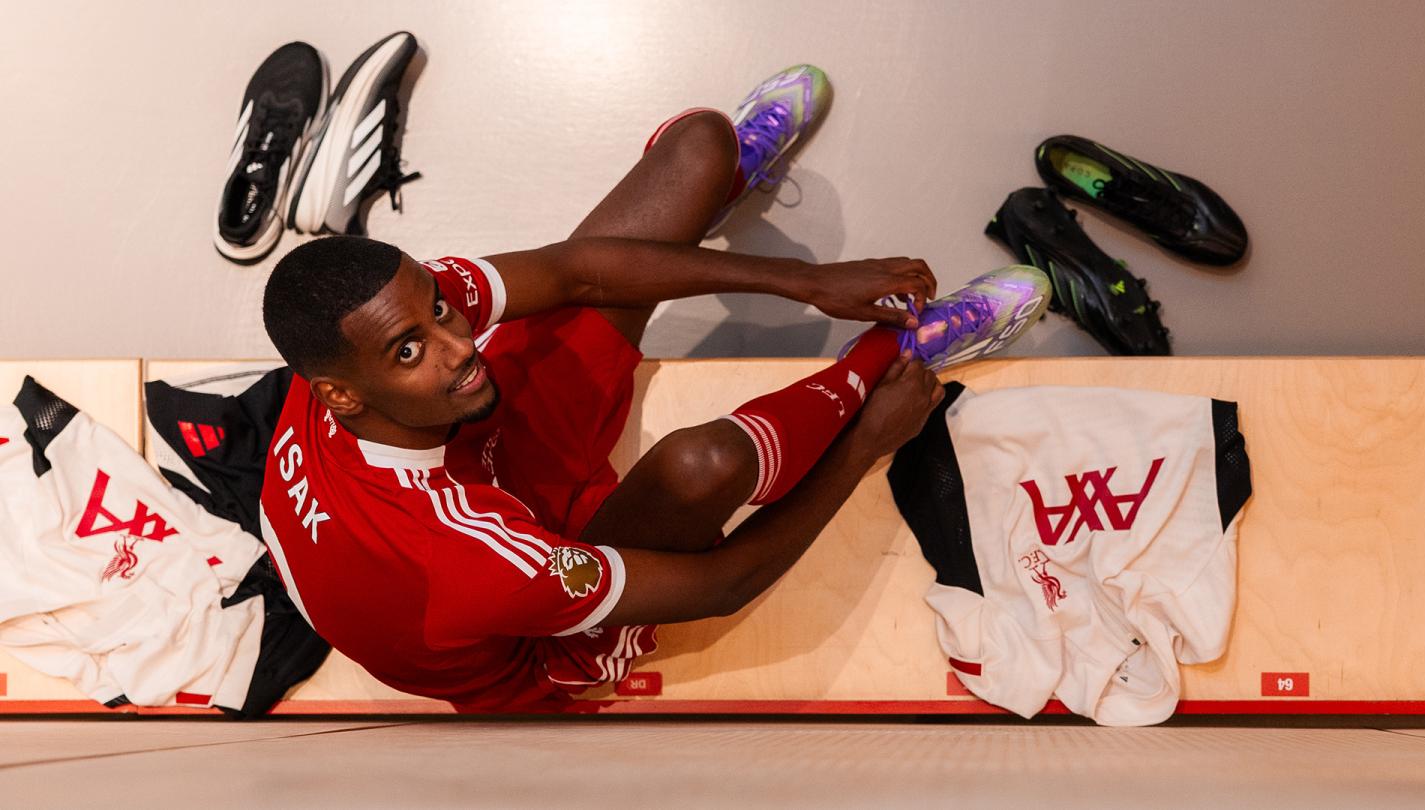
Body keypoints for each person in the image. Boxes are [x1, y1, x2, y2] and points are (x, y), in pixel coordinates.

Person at [258, 66, 1050, 710]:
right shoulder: (465, 564)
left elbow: (576, 271)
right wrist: (869, 446)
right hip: (529, 629)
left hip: (473, 462)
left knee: (698, 145)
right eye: (412, 348)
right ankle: (897, 355)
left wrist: (808, 283)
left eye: (440, 309)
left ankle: (727, 180)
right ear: (341, 396)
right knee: (698, 466)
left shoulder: (368, 336)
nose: (461, 344)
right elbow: (723, 583)